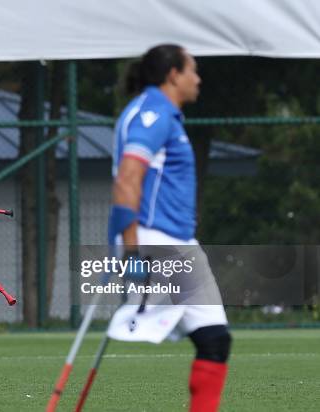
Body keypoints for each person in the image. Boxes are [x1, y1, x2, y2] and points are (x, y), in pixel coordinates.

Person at [108, 44, 231, 412]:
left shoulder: (158, 113)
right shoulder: (152, 114)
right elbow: (127, 180)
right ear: (173, 74)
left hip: (172, 240)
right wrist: (131, 253)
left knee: (214, 340)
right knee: (214, 341)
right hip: (155, 238)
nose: (198, 78)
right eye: (192, 69)